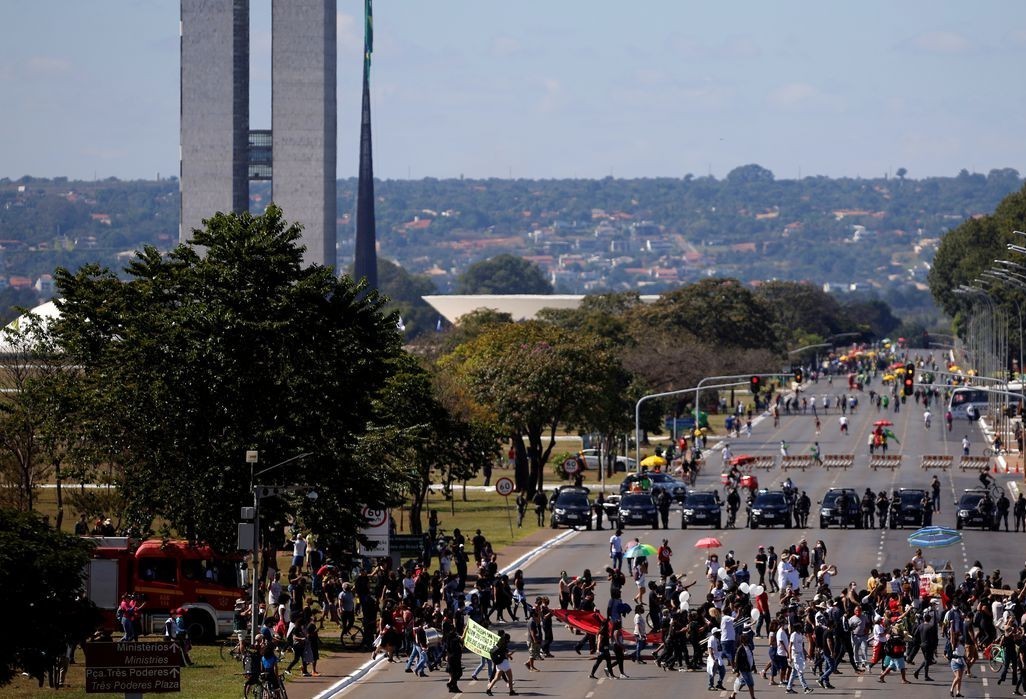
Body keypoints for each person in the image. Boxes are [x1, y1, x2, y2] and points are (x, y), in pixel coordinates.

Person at [729, 630, 757, 699]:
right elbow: (737, 661)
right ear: (742, 640)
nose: (747, 640)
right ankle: (752, 697)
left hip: (749, 668)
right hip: (744, 669)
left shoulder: (749, 647)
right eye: (745, 639)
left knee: (742, 683)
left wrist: (754, 667)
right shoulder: (740, 649)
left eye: (747, 639)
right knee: (750, 683)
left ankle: (732, 695)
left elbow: (751, 658)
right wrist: (737, 671)